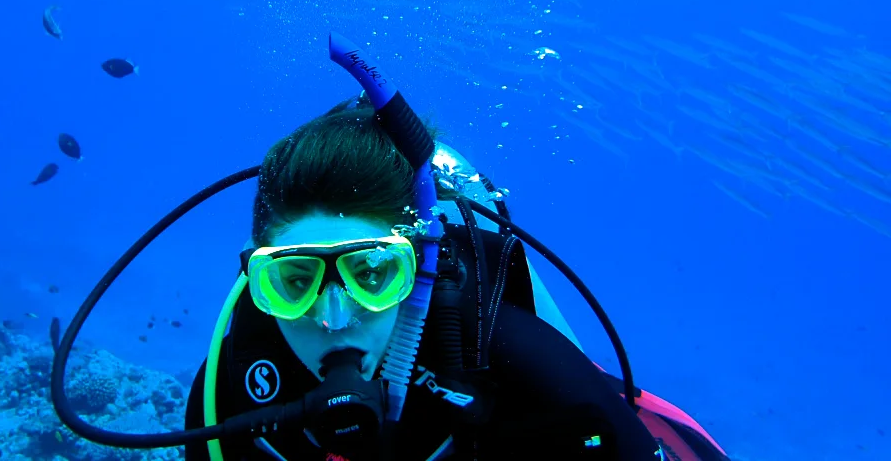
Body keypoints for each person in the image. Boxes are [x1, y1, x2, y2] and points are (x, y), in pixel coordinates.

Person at [50, 33, 730, 461]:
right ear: (254, 281)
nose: (335, 316)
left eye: (374, 272)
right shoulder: (231, 392)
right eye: (292, 282)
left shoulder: (505, 356)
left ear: (419, 266)